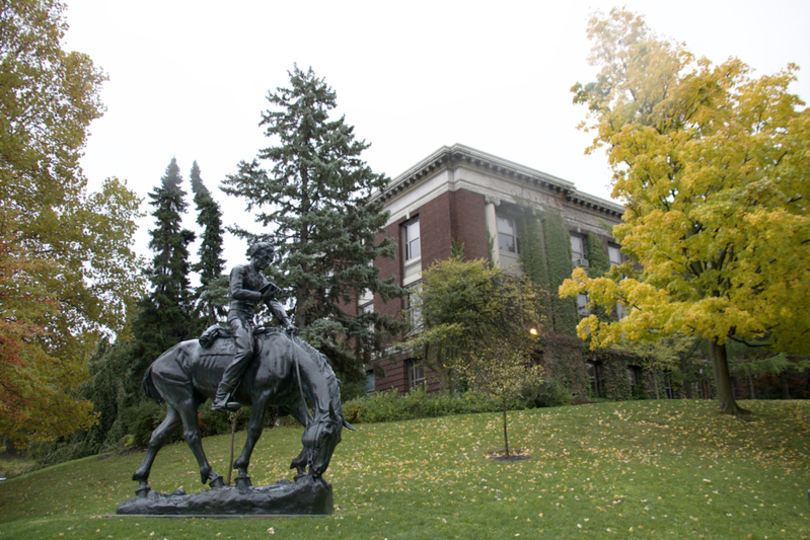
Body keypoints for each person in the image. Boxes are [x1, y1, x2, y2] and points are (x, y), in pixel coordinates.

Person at [211, 241, 297, 412]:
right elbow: (235, 292)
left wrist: (287, 322)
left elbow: (272, 302)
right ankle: (220, 397)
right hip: (237, 317)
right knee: (246, 350)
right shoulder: (239, 269)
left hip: (250, 321)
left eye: (271, 259)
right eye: (266, 257)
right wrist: (260, 295)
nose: (268, 262)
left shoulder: (261, 279)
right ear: (256, 254)